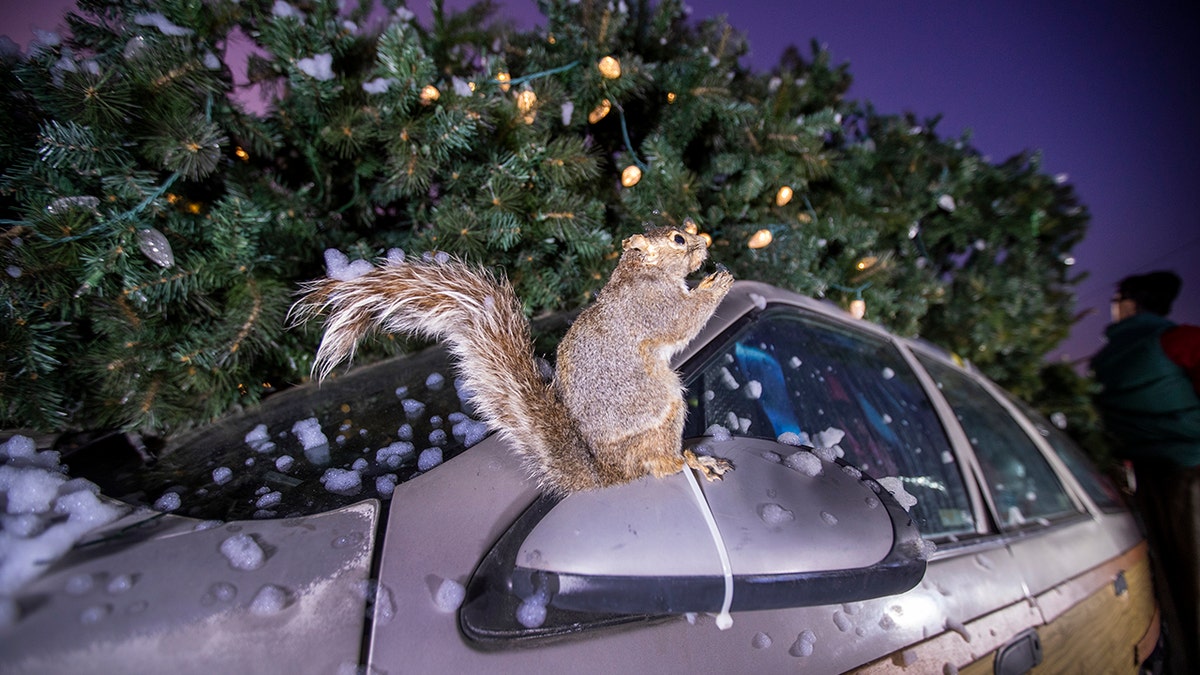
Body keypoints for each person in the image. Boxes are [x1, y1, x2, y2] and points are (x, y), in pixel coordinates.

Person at [1091, 270, 1200, 674]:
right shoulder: (1178, 341)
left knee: (1172, 577)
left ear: (1131, 303)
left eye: (1117, 299)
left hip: (1156, 478)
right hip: (1186, 469)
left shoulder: (1108, 359)